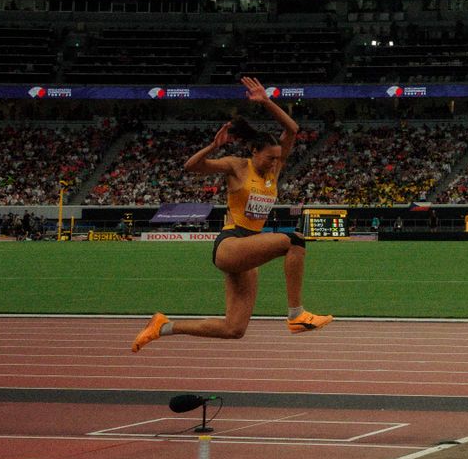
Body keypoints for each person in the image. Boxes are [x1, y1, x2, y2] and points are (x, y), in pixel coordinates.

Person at [132, 78, 331, 350]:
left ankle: (162, 326)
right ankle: (296, 314)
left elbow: (292, 129)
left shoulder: (273, 173)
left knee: (234, 328)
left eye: (277, 158)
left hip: (248, 249)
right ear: (253, 151)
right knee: (294, 240)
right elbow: (192, 166)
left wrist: (266, 101)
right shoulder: (237, 166)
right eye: (269, 158)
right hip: (230, 244)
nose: (274, 163)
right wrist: (214, 147)